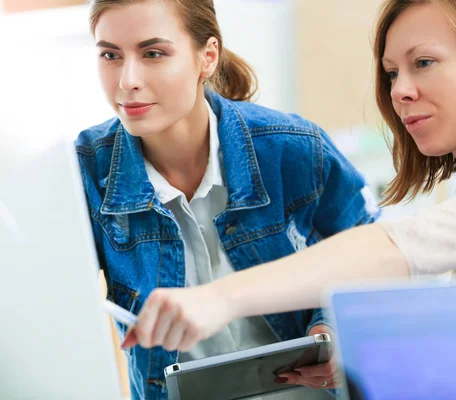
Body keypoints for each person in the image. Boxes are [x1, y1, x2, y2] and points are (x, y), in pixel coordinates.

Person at [124, 0, 456, 390]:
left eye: (424, 62)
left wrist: (219, 298)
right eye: (391, 73)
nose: (399, 90)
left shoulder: (293, 145)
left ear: (207, 56)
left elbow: (394, 249)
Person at [75, 0, 378, 398]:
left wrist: (332, 328)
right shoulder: (84, 172)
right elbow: (47, 297)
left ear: (208, 57)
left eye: (153, 53)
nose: (127, 80)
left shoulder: (293, 148)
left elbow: (370, 253)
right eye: (110, 55)